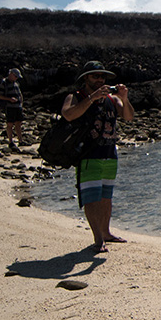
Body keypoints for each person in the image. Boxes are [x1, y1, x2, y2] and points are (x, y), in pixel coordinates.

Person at [61, 61, 135, 254]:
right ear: (86, 78)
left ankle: (106, 232)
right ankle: (98, 238)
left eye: (102, 77)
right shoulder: (76, 97)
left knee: (106, 197)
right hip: (87, 155)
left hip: (110, 154)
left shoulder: (111, 99)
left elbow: (128, 116)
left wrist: (124, 98)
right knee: (91, 198)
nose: (99, 80)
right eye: (95, 76)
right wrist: (92, 98)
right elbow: (68, 114)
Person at [0, 68, 27, 149]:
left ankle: (20, 140)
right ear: (10, 74)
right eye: (15, 76)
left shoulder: (16, 83)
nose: (16, 78)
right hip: (9, 107)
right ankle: (10, 141)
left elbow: (19, 93)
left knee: (18, 123)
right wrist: (9, 99)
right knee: (10, 124)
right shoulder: (3, 83)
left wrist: (21, 103)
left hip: (18, 106)